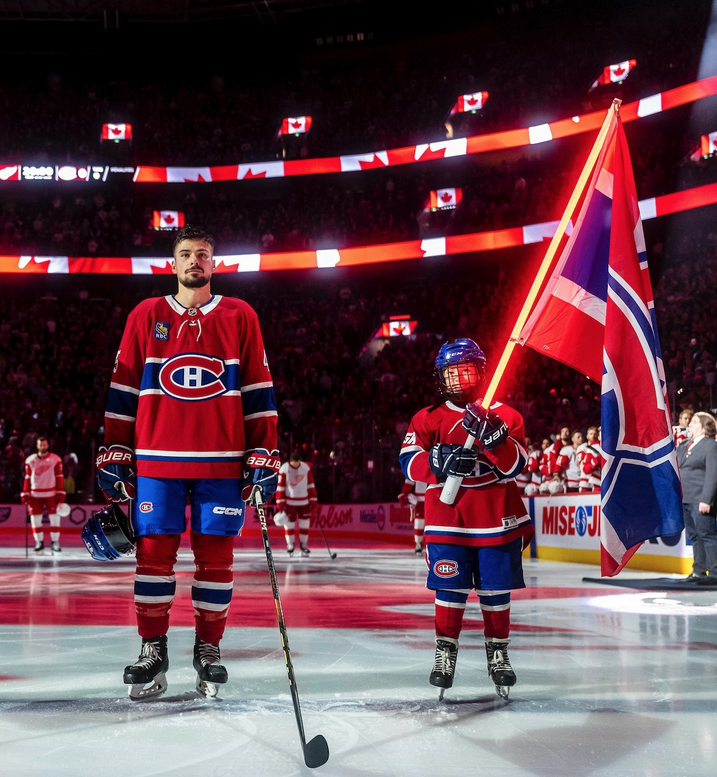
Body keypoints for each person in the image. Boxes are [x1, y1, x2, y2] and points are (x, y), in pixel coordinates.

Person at [97, 225, 279, 700]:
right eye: (185, 254)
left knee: (216, 561)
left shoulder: (241, 315)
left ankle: (208, 650)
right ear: (172, 265)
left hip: (223, 463)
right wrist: (115, 448)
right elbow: (123, 390)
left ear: (213, 264)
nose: (194, 261)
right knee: (152, 559)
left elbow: (259, 390)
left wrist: (263, 450)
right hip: (156, 462)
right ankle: (152, 649)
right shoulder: (146, 314)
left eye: (202, 254)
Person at [399, 338, 532, 699]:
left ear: (481, 372)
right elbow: (409, 463)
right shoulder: (427, 417)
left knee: (495, 590)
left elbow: (519, 465)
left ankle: (498, 652)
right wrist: (434, 463)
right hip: (448, 520)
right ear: (441, 377)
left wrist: (495, 440)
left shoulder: (506, 415)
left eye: (466, 371)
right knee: (450, 590)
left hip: (495, 518)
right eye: (452, 373)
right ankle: (445, 651)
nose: (459, 379)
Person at [676, 412, 717, 584]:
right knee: (695, 536)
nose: (690, 425)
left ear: (704, 426)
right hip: (686, 498)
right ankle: (699, 571)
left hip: (700, 498)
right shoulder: (684, 445)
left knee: (707, 535)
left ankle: (714, 572)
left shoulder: (710, 445)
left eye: (694, 422)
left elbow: (712, 474)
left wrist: (706, 499)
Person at [21, 436, 66, 554]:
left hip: (51, 493)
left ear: (48, 445)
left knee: (55, 518)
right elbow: (27, 477)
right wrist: (25, 492)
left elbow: (59, 476)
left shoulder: (55, 459)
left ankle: (54, 543)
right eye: (41, 444)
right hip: (35, 494)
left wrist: (60, 492)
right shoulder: (30, 460)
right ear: (37, 445)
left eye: (44, 444)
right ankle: (39, 543)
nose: (43, 447)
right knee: (35, 519)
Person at [275, 451, 317, 556]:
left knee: (305, 523)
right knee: (289, 524)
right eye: (294, 463)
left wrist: (313, 499)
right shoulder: (284, 469)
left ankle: (303, 546)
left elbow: (310, 484)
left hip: (304, 501)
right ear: (290, 462)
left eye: (297, 463)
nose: (296, 465)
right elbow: (280, 486)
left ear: (300, 461)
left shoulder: (305, 468)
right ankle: (290, 545)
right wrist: (280, 501)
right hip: (290, 502)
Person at [398, 476, 427, 553]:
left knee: (432, 523)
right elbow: (410, 480)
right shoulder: (417, 467)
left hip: (433, 498)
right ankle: (418, 542)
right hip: (420, 500)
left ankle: (432, 543)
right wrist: (404, 492)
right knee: (419, 522)